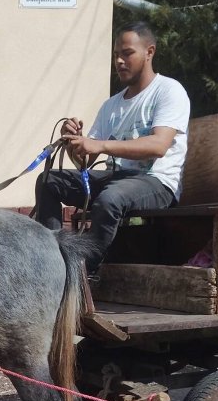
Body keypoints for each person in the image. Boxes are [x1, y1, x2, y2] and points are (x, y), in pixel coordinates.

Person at [35, 21, 190, 275]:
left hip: (155, 181)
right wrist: (75, 141)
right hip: (115, 178)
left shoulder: (169, 91)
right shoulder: (112, 105)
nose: (119, 61)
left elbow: (159, 145)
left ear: (149, 52)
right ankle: (54, 266)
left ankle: (84, 276)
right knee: (48, 181)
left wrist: (101, 144)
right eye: (116, 55)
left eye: (127, 53)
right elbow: (85, 162)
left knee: (109, 200)